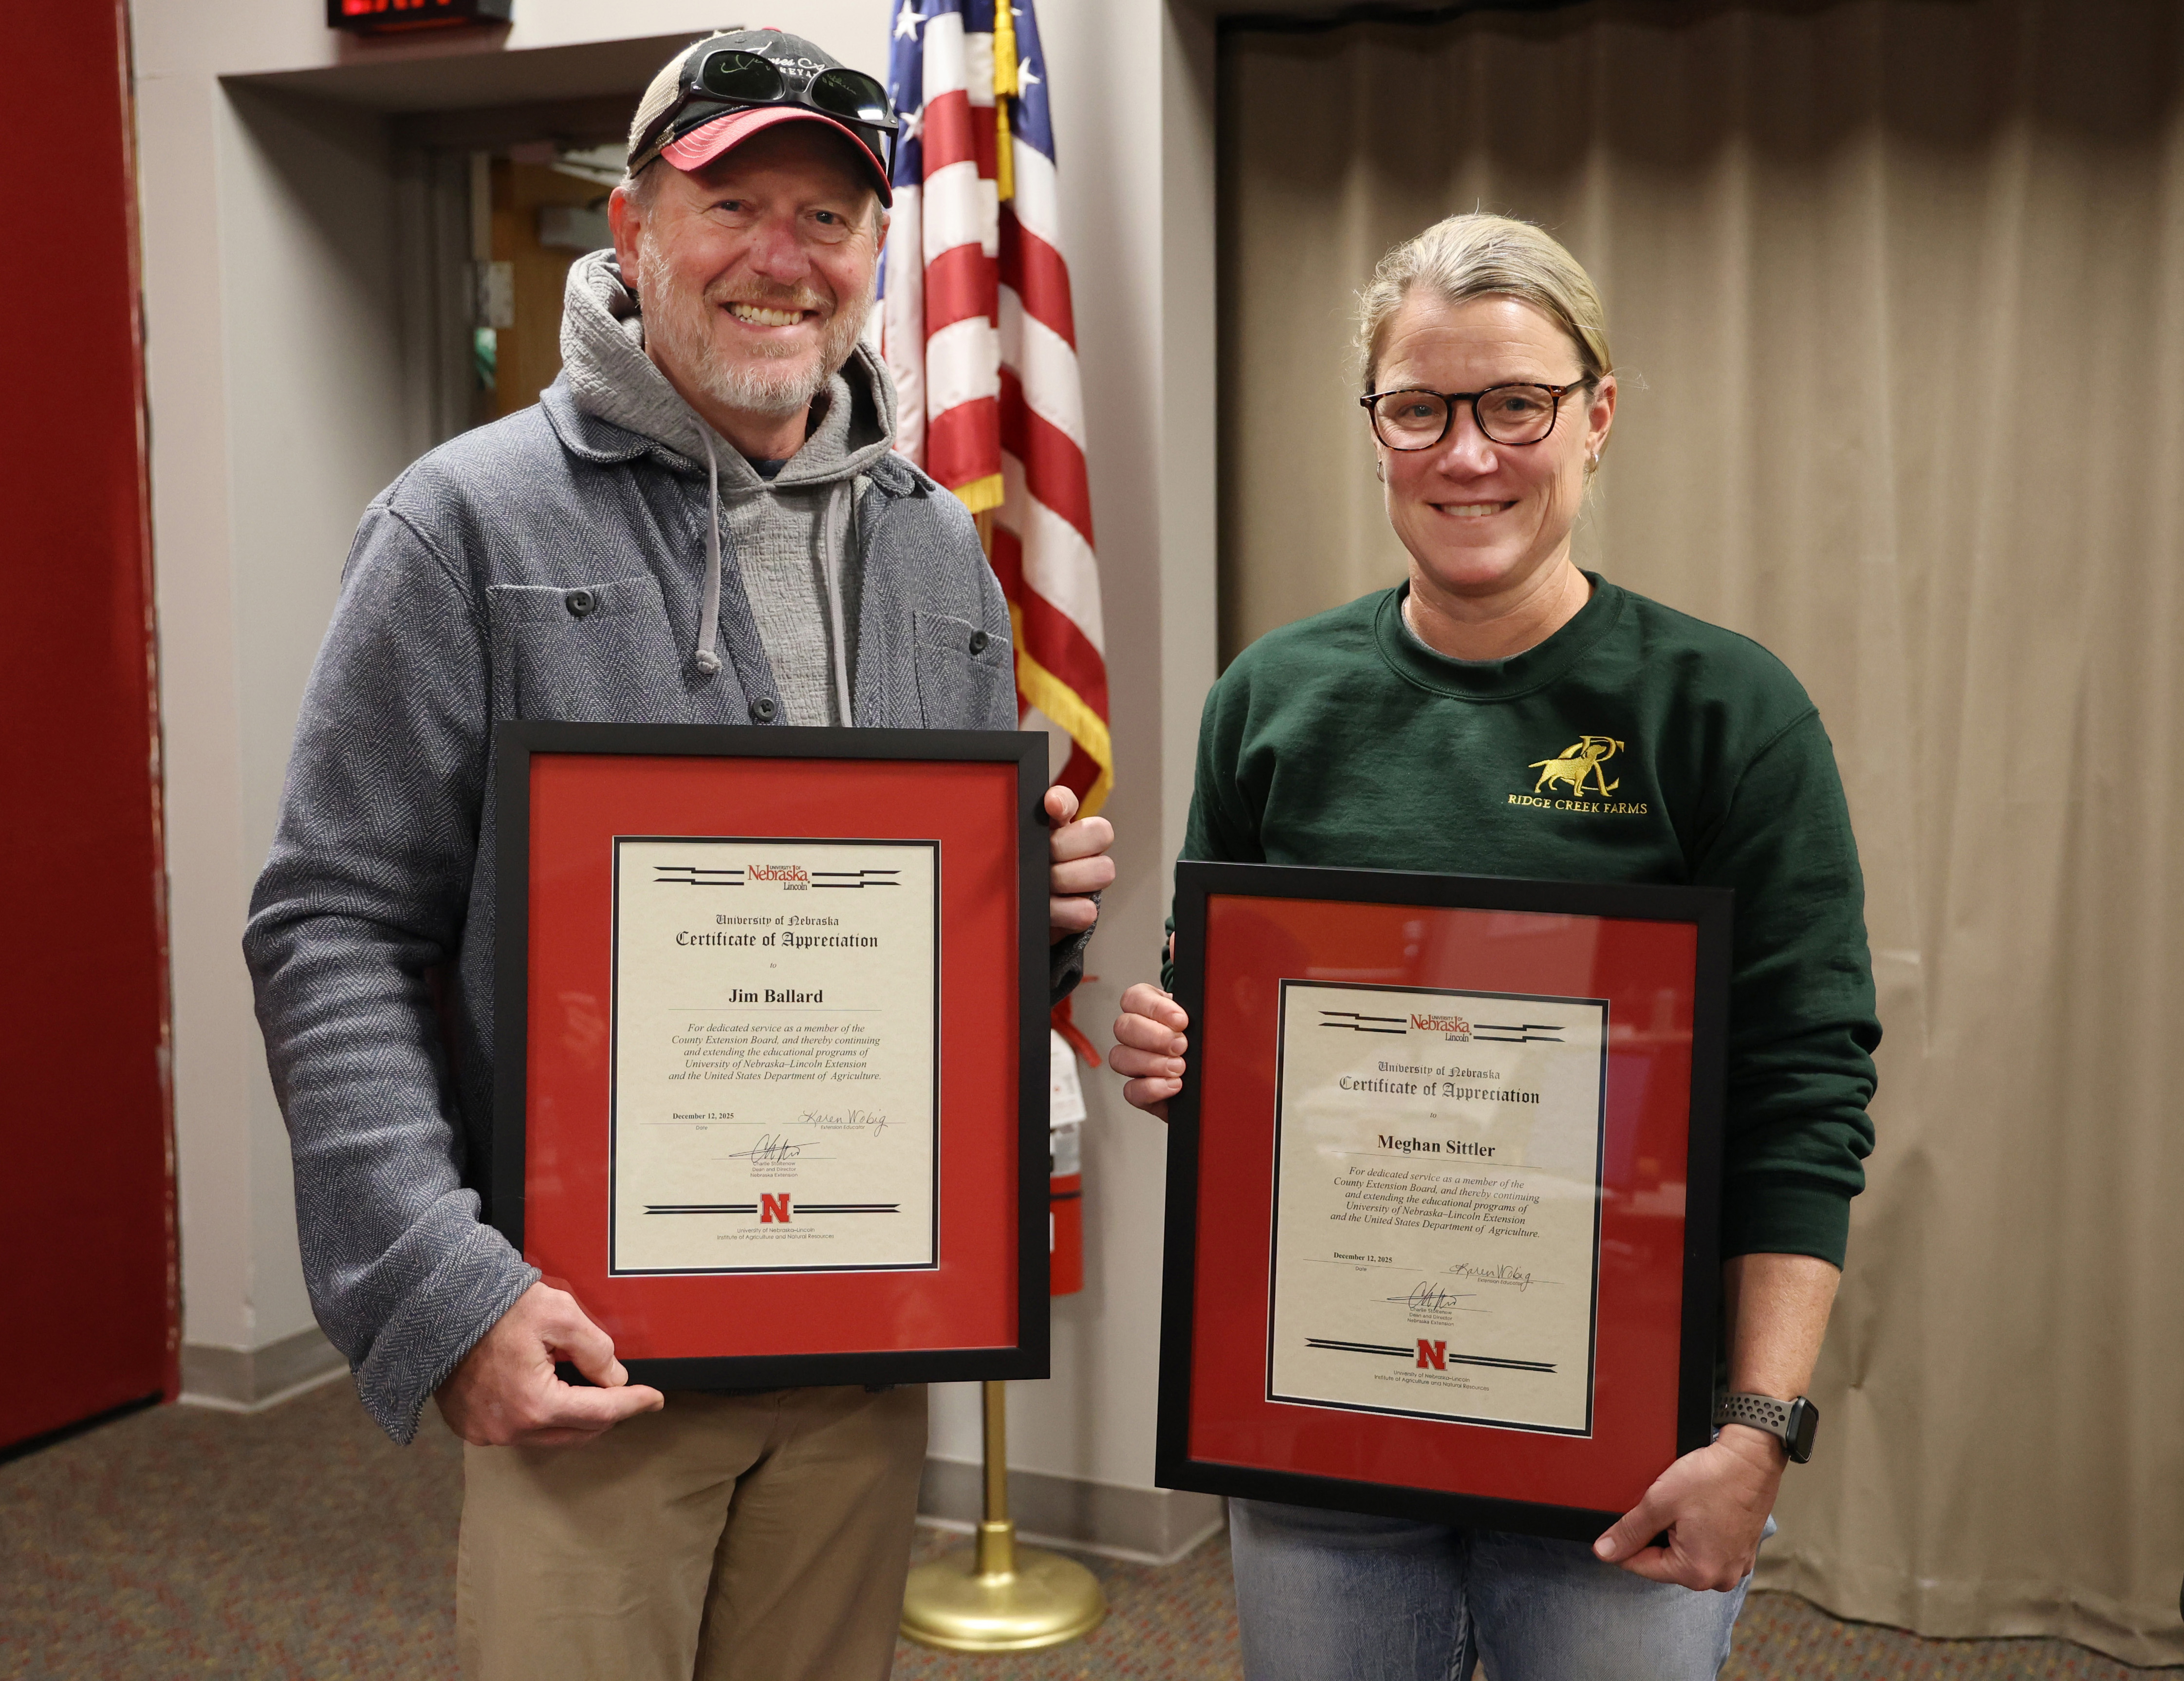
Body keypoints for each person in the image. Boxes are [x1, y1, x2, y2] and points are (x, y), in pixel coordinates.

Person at [244, 29, 1115, 1681]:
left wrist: (1034, 920)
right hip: (592, 1363)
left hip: (864, 1350)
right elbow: (331, 926)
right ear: (633, 234)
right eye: (736, 207)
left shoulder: (941, 554)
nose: (784, 258)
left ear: (876, 255)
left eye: (832, 216)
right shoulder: (466, 527)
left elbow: (936, 959)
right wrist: (446, 1288)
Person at [1109, 212, 1879, 1681]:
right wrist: (1182, 1056)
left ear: (1595, 416)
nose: (1470, 454)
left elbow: (1803, 1091)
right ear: (1378, 428)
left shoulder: (1725, 711)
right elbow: (1234, 1033)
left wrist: (1758, 1431)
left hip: (1621, 1443)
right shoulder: (1272, 698)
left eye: (1515, 403)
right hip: (1324, 1415)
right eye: (1422, 407)